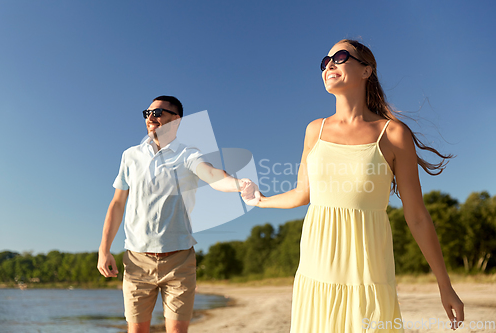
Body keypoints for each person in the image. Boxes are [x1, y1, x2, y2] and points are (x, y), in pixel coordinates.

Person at [252, 40, 464, 332]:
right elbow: (303, 194)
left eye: (339, 57)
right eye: (324, 62)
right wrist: (260, 200)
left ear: (367, 71)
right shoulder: (315, 130)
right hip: (317, 269)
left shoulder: (393, 134)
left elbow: (416, 215)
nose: (329, 65)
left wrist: (445, 284)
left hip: (368, 272)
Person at [97, 95, 258, 333]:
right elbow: (117, 204)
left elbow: (213, 175)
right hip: (137, 261)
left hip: (179, 261)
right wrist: (104, 250)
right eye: (147, 113)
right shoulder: (130, 156)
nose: (151, 117)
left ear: (176, 120)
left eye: (159, 113)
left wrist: (239, 184)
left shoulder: (187, 154)